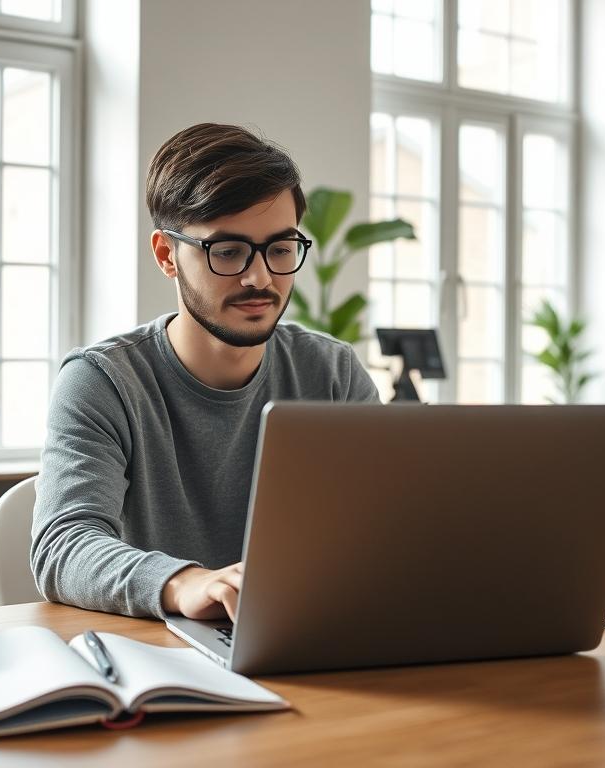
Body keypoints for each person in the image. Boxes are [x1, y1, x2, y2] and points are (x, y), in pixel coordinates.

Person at [31, 123, 380, 622]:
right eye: (228, 251)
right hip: (160, 655)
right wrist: (186, 583)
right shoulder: (103, 381)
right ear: (166, 255)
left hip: (308, 634)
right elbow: (63, 546)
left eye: (280, 249)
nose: (259, 277)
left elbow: (387, 528)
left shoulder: (331, 371)